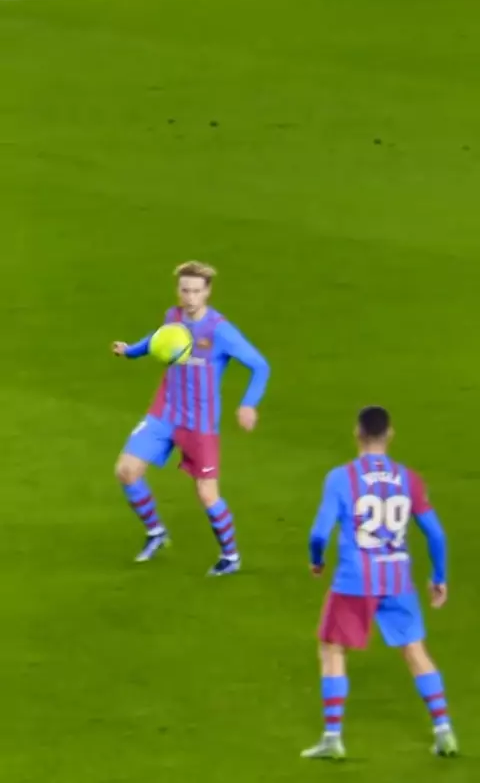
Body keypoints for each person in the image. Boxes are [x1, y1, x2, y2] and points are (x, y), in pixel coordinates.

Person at [302, 406, 458, 760]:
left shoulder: (340, 478)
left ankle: (332, 737)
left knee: (332, 648)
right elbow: (436, 534)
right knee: (415, 650)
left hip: (354, 581)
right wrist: (439, 577)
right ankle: (444, 730)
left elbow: (318, 533)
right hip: (398, 579)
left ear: (357, 433)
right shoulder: (409, 478)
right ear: (390, 435)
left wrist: (317, 560)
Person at [112, 261, 270, 576]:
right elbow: (157, 340)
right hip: (164, 413)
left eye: (196, 291)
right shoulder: (173, 317)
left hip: (199, 423)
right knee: (126, 471)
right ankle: (156, 532)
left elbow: (260, 366)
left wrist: (248, 405)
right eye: (185, 290)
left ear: (207, 292)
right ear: (178, 290)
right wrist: (130, 351)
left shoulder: (220, 331)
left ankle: (230, 557)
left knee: (207, 494)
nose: (190, 298)